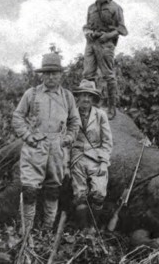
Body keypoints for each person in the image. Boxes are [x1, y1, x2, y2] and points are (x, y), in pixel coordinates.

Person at [12, 52, 80, 234]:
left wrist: (67, 139)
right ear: (41, 75)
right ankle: (26, 232)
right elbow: (17, 117)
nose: (51, 77)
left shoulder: (67, 97)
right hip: (35, 147)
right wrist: (27, 136)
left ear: (61, 74)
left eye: (54, 73)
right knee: (29, 190)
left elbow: (75, 121)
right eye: (47, 73)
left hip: (57, 149)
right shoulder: (32, 94)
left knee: (53, 190)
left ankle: (47, 231)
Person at [83, 0, 128, 120]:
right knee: (88, 75)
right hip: (91, 43)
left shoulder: (115, 7)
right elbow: (86, 26)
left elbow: (122, 29)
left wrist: (108, 36)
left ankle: (112, 107)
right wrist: (88, 33)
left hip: (106, 43)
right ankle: (92, 105)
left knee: (108, 75)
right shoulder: (91, 8)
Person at [70, 79, 113, 231]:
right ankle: (84, 229)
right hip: (77, 157)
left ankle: (94, 227)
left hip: (96, 157)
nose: (86, 99)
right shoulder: (71, 114)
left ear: (93, 98)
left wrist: (103, 162)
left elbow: (107, 141)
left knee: (99, 193)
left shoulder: (100, 115)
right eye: (83, 95)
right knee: (79, 194)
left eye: (89, 96)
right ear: (78, 97)